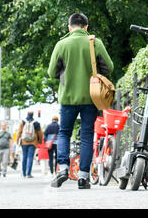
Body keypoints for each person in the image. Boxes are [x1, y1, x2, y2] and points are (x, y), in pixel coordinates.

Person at [47, 13, 113, 189]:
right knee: (86, 135)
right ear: (86, 27)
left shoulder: (61, 44)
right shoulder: (94, 43)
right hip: (91, 97)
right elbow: (109, 67)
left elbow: (52, 72)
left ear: (70, 28)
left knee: (64, 133)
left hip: (68, 97)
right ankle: (83, 177)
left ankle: (63, 169)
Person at [16, 111, 43, 178]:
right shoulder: (36, 123)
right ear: (33, 115)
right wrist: (39, 141)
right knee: (30, 157)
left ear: (27, 114)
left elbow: (19, 132)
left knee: (24, 157)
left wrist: (17, 141)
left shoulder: (22, 122)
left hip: (24, 142)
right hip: (33, 142)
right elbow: (40, 133)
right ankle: (28, 173)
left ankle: (23, 173)